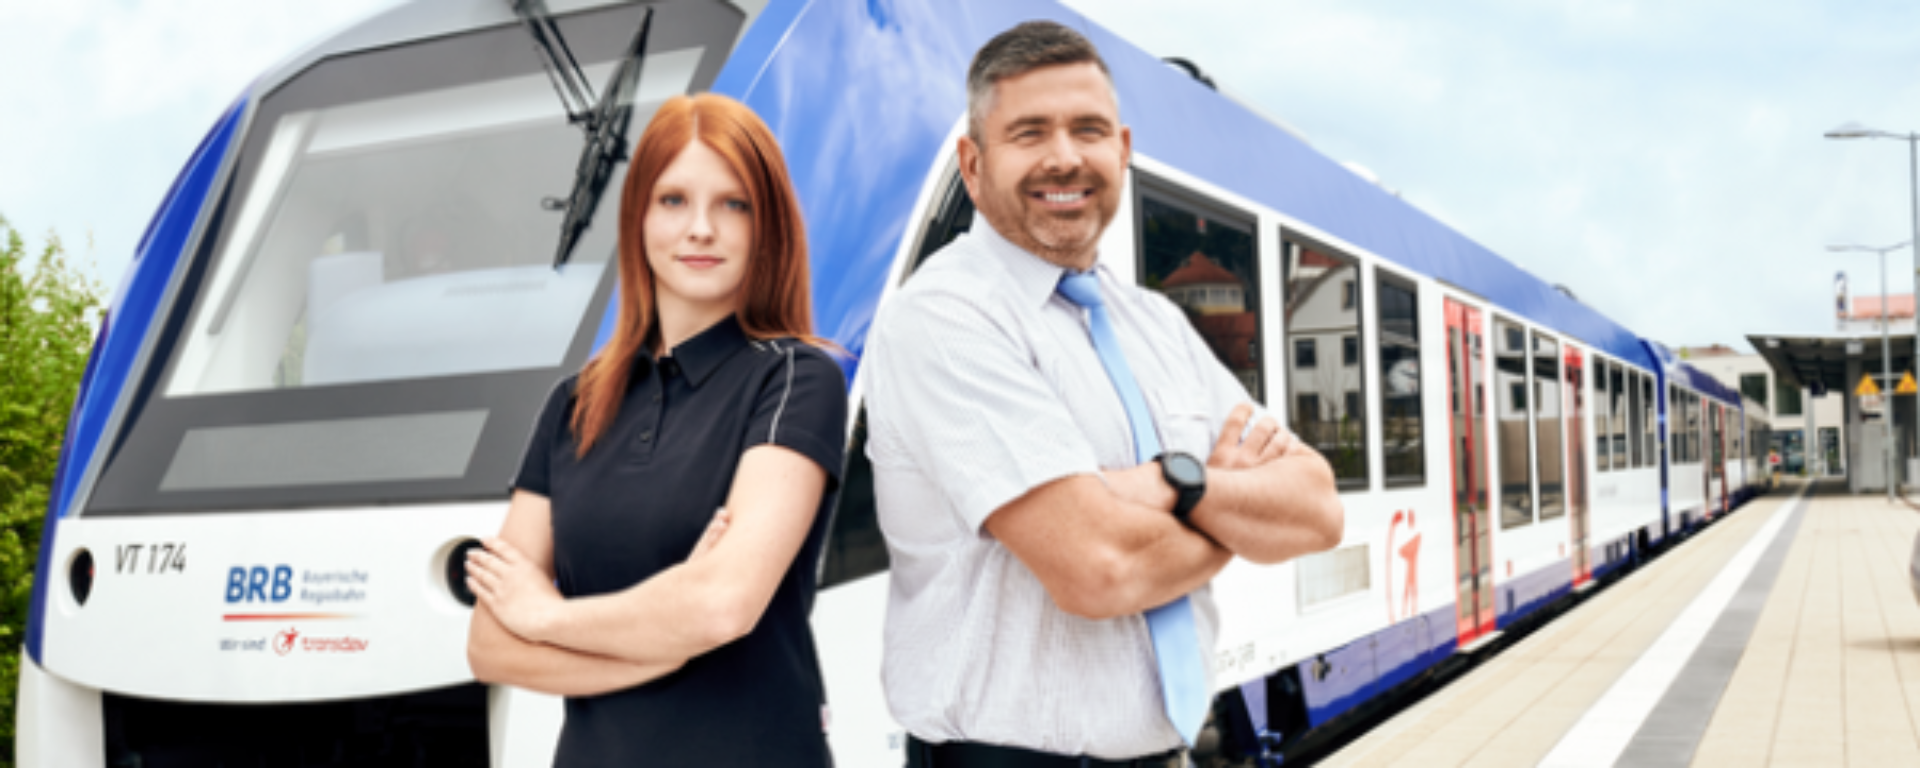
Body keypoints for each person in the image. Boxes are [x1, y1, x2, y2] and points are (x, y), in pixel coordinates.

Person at [863, 21, 1345, 766]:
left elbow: (1317, 507)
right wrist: (1229, 510)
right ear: (972, 163)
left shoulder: (1156, 323)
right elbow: (1099, 568)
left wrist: (1166, 486)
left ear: (1120, 152)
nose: (1065, 157)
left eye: (1088, 130)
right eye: (1029, 133)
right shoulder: (944, 317)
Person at [464, 93, 847, 767]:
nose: (701, 228)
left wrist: (549, 618)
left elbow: (723, 605)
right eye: (673, 200)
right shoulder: (572, 405)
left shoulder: (796, 379)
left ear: (768, 227)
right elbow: (491, 646)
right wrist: (664, 642)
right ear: (637, 215)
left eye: (734, 204)